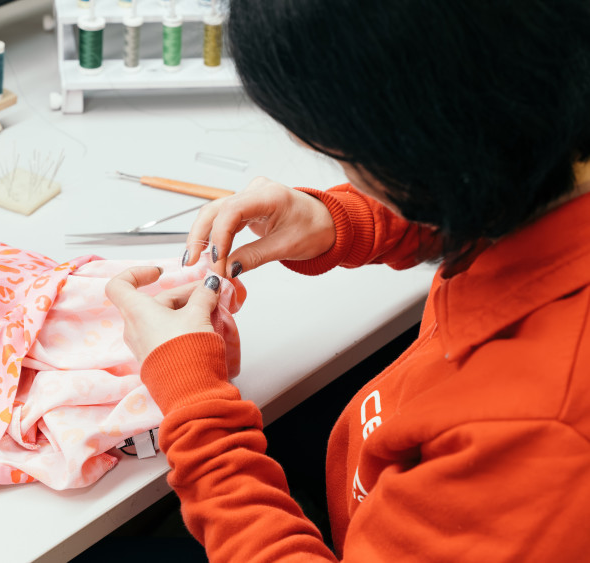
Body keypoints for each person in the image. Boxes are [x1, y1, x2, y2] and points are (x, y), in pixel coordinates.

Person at [106, 1, 590, 560]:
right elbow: (509, 184)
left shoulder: (542, 442)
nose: (309, 152)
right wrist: (345, 221)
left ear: (425, 146)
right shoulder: (551, 142)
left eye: (342, 152)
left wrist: (194, 403)